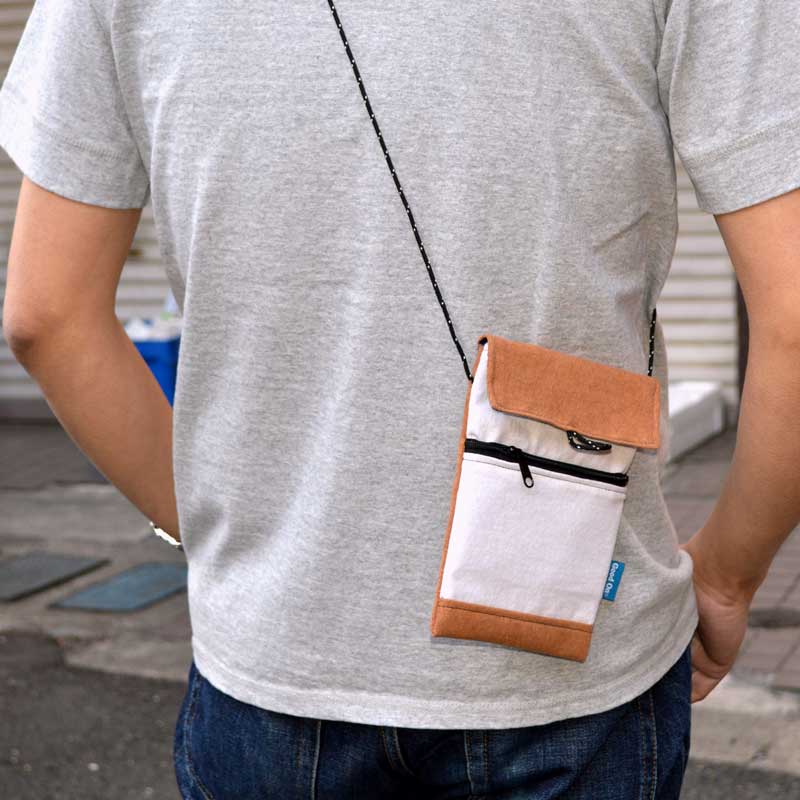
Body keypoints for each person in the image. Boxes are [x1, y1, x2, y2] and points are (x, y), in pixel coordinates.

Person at [1, 1, 798, 797]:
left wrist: (230, 539)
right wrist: (726, 577)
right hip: (577, 661)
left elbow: (48, 317)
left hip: (272, 660)